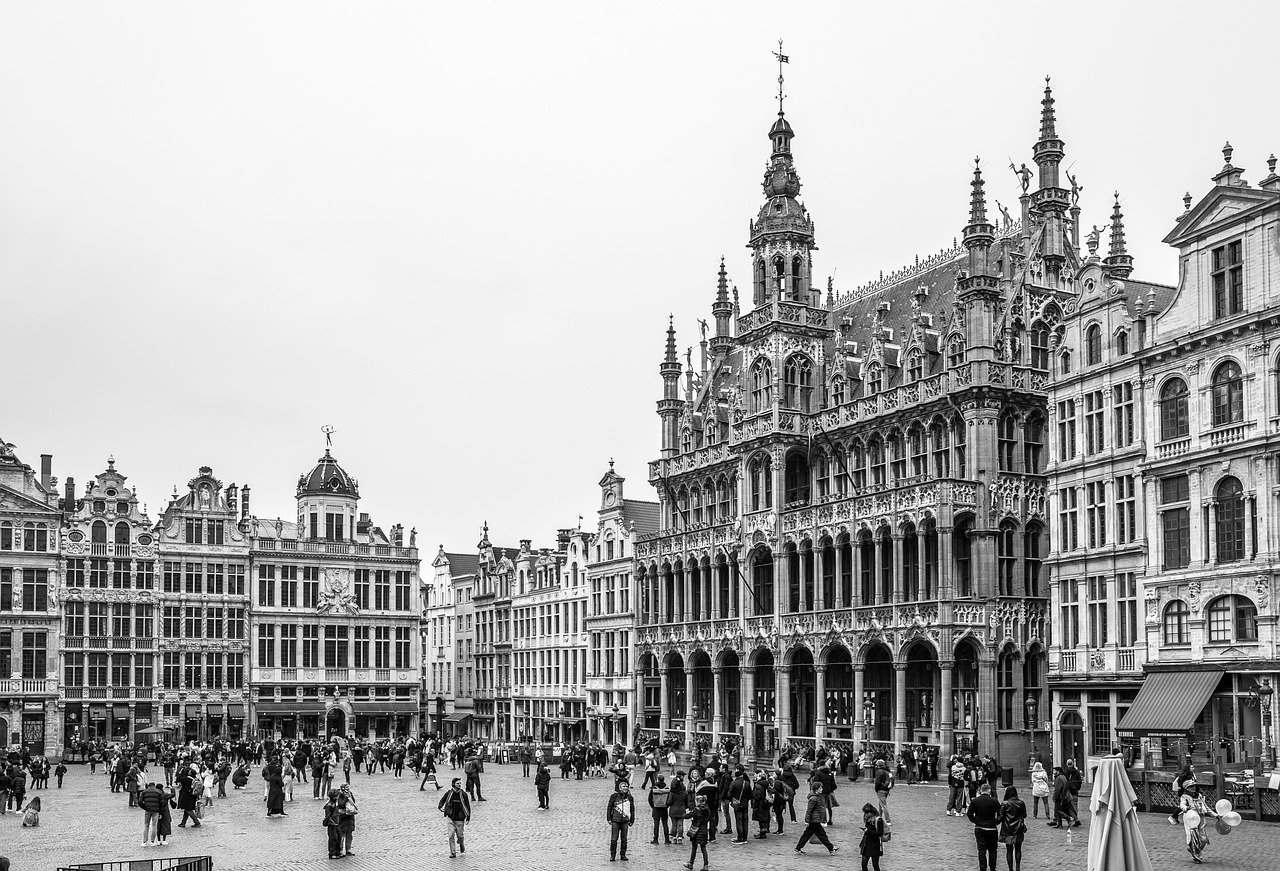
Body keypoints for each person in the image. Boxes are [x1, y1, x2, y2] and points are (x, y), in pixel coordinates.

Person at [794, 782, 837, 854]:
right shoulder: (814, 798)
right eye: (820, 788)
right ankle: (831, 848)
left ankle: (798, 848)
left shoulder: (817, 797)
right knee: (822, 835)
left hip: (814, 819)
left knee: (807, 834)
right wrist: (807, 820)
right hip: (814, 820)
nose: (822, 789)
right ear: (816, 789)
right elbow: (809, 810)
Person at [967, 782, 1001, 871]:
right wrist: (996, 822)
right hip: (991, 827)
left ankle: (983, 867)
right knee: (992, 850)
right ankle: (992, 867)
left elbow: (969, 813)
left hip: (979, 827)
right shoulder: (994, 801)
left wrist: (975, 821)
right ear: (989, 790)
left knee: (981, 850)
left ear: (981, 791)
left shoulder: (975, 801)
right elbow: (1000, 814)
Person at [1180, 780, 1215, 864]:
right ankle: (1197, 856)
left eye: (1194, 786)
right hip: (1191, 818)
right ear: (1186, 788)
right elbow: (1182, 805)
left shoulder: (1199, 796)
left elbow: (1206, 807)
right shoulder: (1184, 797)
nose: (1193, 788)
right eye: (1191, 786)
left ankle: (1192, 849)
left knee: (1204, 839)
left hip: (1201, 818)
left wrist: (1215, 815)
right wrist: (1186, 808)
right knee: (1193, 837)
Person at [439, 777, 471, 858]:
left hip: (460, 818)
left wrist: (468, 817)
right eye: (457, 783)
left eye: (460, 783)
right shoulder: (449, 793)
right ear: (453, 784)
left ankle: (461, 843)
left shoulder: (463, 795)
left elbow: (467, 806)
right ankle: (453, 852)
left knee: (460, 836)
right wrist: (440, 807)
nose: (459, 785)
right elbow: (442, 800)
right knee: (451, 835)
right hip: (450, 817)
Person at [999, 786, 1027, 871]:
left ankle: (1010, 869)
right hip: (1018, 828)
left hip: (1008, 829)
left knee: (1009, 850)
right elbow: (1024, 815)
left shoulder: (1005, 803)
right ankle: (1018, 867)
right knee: (1018, 848)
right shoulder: (1021, 802)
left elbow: (1001, 817)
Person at [607, 780, 636, 861]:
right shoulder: (614, 796)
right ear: (620, 788)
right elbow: (609, 808)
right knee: (614, 838)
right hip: (615, 820)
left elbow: (632, 809)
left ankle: (623, 855)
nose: (625, 788)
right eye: (624, 786)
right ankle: (612, 855)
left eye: (626, 786)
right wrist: (609, 818)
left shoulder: (630, 798)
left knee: (624, 839)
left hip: (625, 821)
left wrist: (632, 820)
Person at [682, 793, 711, 871]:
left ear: (698, 801)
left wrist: (682, 815)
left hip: (696, 831)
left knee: (694, 847)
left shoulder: (696, 809)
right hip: (704, 830)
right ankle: (706, 865)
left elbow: (688, 815)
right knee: (703, 848)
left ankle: (691, 863)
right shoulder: (707, 809)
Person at [858, 802, 884, 871]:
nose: (866, 814)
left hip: (875, 845)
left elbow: (880, 833)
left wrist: (868, 831)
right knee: (863, 863)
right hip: (867, 844)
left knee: (875, 864)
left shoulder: (878, 820)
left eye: (867, 813)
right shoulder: (868, 820)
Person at [138, 781, 164, 846]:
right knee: (154, 825)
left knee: (146, 825)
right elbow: (162, 803)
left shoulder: (144, 792)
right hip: (156, 811)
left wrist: (145, 807)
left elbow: (140, 802)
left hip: (148, 810)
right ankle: (152, 841)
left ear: (149, 786)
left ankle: (144, 841)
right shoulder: (159, 792)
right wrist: (161, 813)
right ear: (154, 786)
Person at [648, 774, 671, 843]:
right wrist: (666, 806)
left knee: (656, 825)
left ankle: (656, 839)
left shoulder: (654, 788)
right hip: (664, 809)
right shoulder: (667, 788)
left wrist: (653, 806)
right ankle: (667, 839)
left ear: (657, 779)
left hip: (656, 809)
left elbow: (649, 799)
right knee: (665, 824)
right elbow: (669, 800)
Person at [669, 769, 688, 844]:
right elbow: (686, 801)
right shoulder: (684, 792)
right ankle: (680, 837)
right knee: (680, 824)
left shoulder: (672, 793)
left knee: (674, 825)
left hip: (673, 809)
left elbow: (669, 802)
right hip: (682, 809)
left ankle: (674, 837)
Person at [323, 789, 343, 859]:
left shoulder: (335, 803)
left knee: (338, 838)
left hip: (337, 823)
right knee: (333, 839)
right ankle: (332, 853)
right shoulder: (329, 805)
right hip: (332, 825)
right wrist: (332, 823)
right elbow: (328, 816)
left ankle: (337, 852)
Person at [335, 792, 357, 857]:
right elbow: (341, 804)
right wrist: (346, 798)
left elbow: (353, 802)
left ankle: (348, 850)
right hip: (343, 817)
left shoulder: (350, 794)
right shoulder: (340, 796)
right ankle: (341, 850)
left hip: (350, 818)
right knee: (342, 836)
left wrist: (350, 796)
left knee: (349, 835)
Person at [873, 759, 894, 827]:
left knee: (883, 805)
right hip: (887, 789)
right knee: (881, 804)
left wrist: (876, 789)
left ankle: (888, 820)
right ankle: (879, 817)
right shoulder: (887, 771)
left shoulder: (880, 771)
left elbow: (878, 782)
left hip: (881, 789)